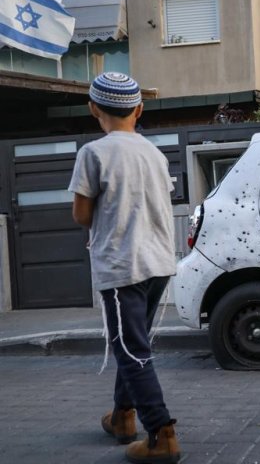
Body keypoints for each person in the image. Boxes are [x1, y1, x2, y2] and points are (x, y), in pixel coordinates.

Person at [69, 72, 180, 464]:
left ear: (93, 108)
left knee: (131, 350)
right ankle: (122, 417)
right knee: (134, 342)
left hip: (122, 264)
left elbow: (81, 214)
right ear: (139, 109)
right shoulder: (154, 153)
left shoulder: (94, 153)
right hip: (158, 263)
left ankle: (162, 434)